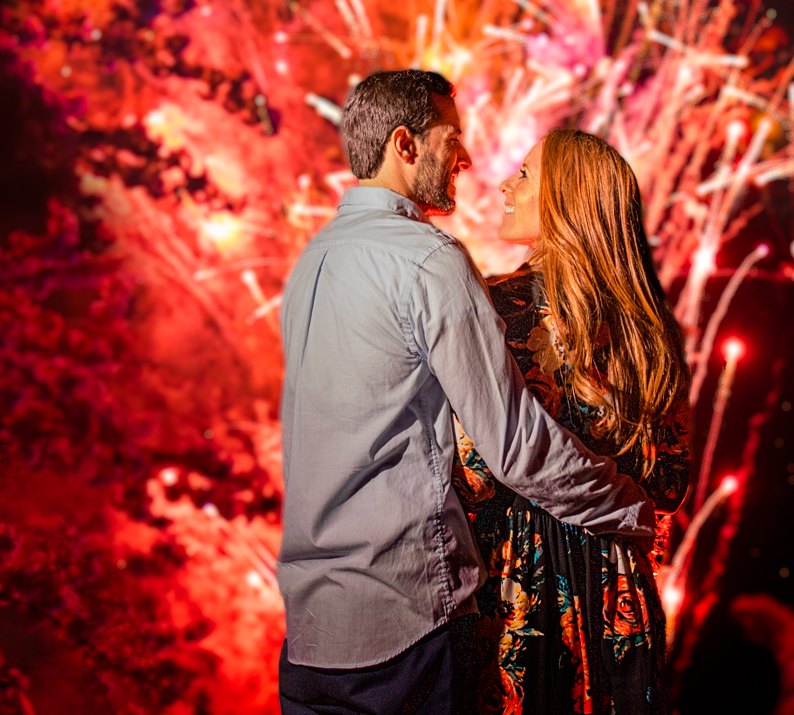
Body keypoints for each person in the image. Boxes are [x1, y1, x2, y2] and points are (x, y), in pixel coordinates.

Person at [279, 71, 657, 715]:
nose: (467, 158)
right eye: (451, 138)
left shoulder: (312, 261)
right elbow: (513, 446)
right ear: (405, 144)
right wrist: (625, 507)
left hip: (311, 630)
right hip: (404, 620)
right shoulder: (428, 259)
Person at [457, 129, 691, 715]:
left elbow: (474, 468)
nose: (507, 184)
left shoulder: (492, 307)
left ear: (565, 199)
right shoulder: (651, 330)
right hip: (619, 588)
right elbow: (669, 485)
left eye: (526, 175)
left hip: (512, 585)